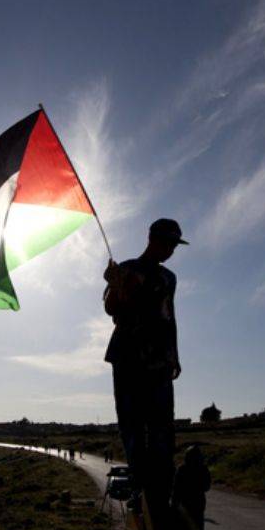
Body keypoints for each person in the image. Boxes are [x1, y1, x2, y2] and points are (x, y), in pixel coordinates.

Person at [103, 218, 186, 511]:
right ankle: (140, 486)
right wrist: (115, 285)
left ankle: (160, 492)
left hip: (159, 359)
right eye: (168, 243)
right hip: (128, 354)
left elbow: (169, 316)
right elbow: (111, 309)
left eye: (174, 246)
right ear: (152, 239)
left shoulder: (169, 278)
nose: (171, 250)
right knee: (132, 425)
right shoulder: (126, 269)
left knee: (162, 427)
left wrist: (174, 355)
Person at [172, 445, 212, 530]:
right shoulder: (202, 469)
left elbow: (175, 492)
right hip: (194, 513)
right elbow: (206, 487)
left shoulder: (183, 469)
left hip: (185, 513)